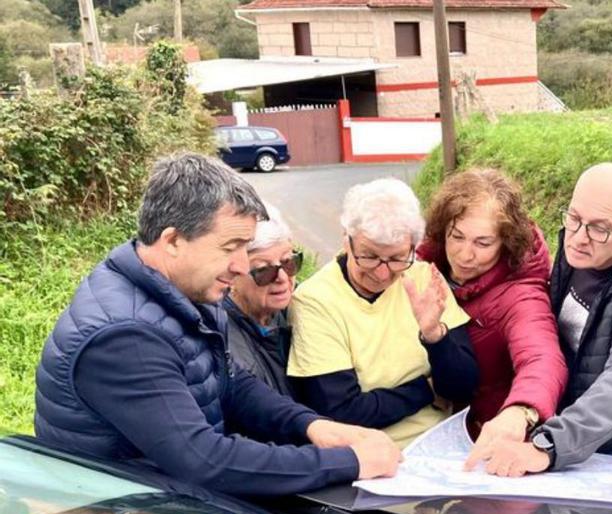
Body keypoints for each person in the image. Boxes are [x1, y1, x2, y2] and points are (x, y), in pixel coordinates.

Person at [33, 153, 399, 495]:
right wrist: (350, 462)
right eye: (230, 247)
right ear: (173, 240)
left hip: (164, 499)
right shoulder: (125, 338)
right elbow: (203, 459)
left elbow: (230, 382)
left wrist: (313, 426)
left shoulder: (182, 290)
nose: (242, 266)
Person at [464, 163, 612, 476]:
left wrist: (550, 444)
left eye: (599, 228)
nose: (579, 238)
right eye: (574, 218)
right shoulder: (580, 252)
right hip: (574, 441)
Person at [288, 178, 479, 448]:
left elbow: (463, 387)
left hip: (439, 444)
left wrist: (435, 336)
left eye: (397, 258)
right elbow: (341, 414)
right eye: (369, 256)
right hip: (364, 455)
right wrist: (426, 390)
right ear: (346, 240)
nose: (381, 273)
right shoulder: (315, 300)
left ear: (414, 246)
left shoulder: (423, 278)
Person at [417, 168, 567, 447]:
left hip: (482, 442)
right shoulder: (421, 268)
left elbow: (541, 357)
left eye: (483, 243)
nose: (464, 254)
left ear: (506, 242)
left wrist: (522, 410)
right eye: (457, 236)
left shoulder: (521, 295)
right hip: (418, 433)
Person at [223, 204, 300, 396]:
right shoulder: (222, 342)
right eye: (264, 270)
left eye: (288, 262)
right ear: (233, 274)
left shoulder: (305, 309)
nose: (282, 278)